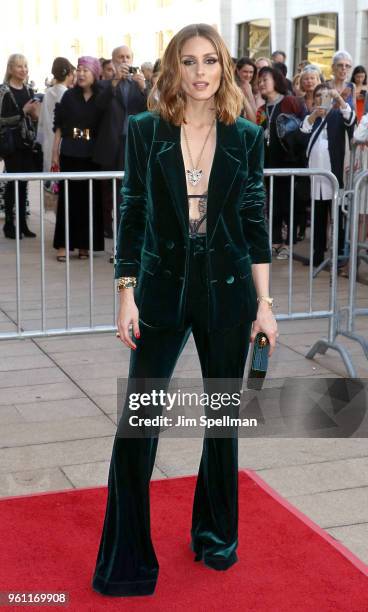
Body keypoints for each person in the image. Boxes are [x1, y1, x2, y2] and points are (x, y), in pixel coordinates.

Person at [92, 23, 278, 598]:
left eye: (210, 62)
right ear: (174, 69)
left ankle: (215, 535)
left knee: (223, 421)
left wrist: (266, 306)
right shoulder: (147, 131)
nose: (200, 73)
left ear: (225, 69)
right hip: (161, 291)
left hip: (227, 292)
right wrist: (126, 292)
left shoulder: (246, 136)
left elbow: (253, 223)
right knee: (139, 426)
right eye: (189, 62)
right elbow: (134, 211)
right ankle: (126, 561)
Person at [51, 56, 104, 261]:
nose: (81, 73)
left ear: (95, 73)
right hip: (70, 152)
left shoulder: (101, 97)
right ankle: (63, 245)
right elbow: (59, 126)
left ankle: (85, 244)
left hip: (92, 155)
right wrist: (55, 153)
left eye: (86, 70)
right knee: (68, 200)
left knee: (89, 200)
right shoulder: (68, 97)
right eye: (79, 69)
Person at [93, 45, 147, 241]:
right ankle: (114, 235)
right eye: (120, 57)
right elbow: (98, 107)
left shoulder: (139, 85)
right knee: (112, 195)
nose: (124, 61)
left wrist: (144, 88)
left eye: (128, 57)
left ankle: (129, 237)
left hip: (133, 146)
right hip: (112, 146)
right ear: (113, 60)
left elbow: (152, 110)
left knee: (130, 194)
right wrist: (114, 82)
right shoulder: (104, 85)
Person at [300, 83, 355, 266]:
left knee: (337, 218)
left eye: (326, 96)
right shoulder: (311, 118)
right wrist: (315, 114)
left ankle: (339, 255)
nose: (322, 99)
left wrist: (339, 99)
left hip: (335, 176)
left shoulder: (338, 115)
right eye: (318, 96)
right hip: (316, 178)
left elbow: (351, 119)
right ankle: (317, 256)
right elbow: (302, 133)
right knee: (318, 219)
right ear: (314, 99)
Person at [257, 66, 306, 259]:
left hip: (290, 161)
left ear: (276, 80)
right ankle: (276, 240)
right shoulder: (262, 109)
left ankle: (288, 243)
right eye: (259, 80)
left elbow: (302, 127)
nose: (261, 83)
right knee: (273, 202)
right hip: (269, 162)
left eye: (265, 79)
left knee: (289, 203)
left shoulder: (290, 101)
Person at [0, 53, 40, 239]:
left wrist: (35, 115)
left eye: (25, 66)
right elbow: (2, 120)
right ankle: (9, 223)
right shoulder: (3, 91)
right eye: (19, 66)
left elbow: (34, 118)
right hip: (11, 143)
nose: (23, 70)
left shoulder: (29, 90)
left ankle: (22, 223)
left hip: (26, 142)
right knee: (13, 184)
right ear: (10, 69)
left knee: (23, 183)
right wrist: (23, 112)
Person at [36, 57, 74, 174]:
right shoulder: (67, 94)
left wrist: (40, 141)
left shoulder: (48, 93)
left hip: (48, 141)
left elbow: (41, 120)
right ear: (69, 74)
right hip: (61, 144)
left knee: (51, 182)